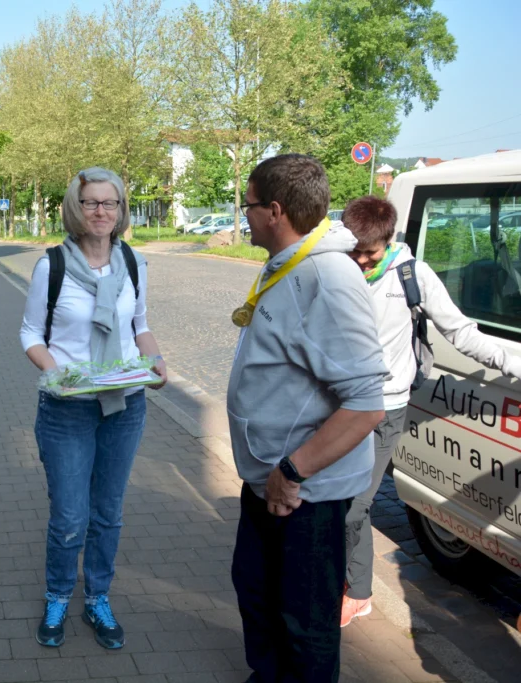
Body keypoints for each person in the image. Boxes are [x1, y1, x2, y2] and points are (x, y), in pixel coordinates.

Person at [227, 154, 387, 682]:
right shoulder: (293, 263)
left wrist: (291, 471)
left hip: (302, 492)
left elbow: (366, 405)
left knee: (306, 619)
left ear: (274, 210)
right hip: (270, 482)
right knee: (256, 589)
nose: (243, 215)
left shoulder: (327, 277)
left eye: (248, 205)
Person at [339, 196, 521, 626]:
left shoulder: (411, 275)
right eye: (355, 252)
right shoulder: (339, 267)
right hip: (339, 407)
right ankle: (339, 573)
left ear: (389, 239)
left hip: (385, 407)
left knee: (355, 506)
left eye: (370, 253)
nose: (362, 262)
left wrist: (511, 363)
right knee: (330, 499)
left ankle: (359, 592)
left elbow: (460, 332)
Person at [19, 167, 168, 650]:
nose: (102, 211)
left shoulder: (134, 263)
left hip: (125, 404)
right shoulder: (53, 266)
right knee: (69, 517)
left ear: (122, 209)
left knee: (108, 513)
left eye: (111, 203)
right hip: (67, 408)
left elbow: (139, 325)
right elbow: (29, 335)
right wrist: (55, 372)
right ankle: (58, 595)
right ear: (75, 208)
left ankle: (98, 597)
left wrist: (157, 360)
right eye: (92, 203)